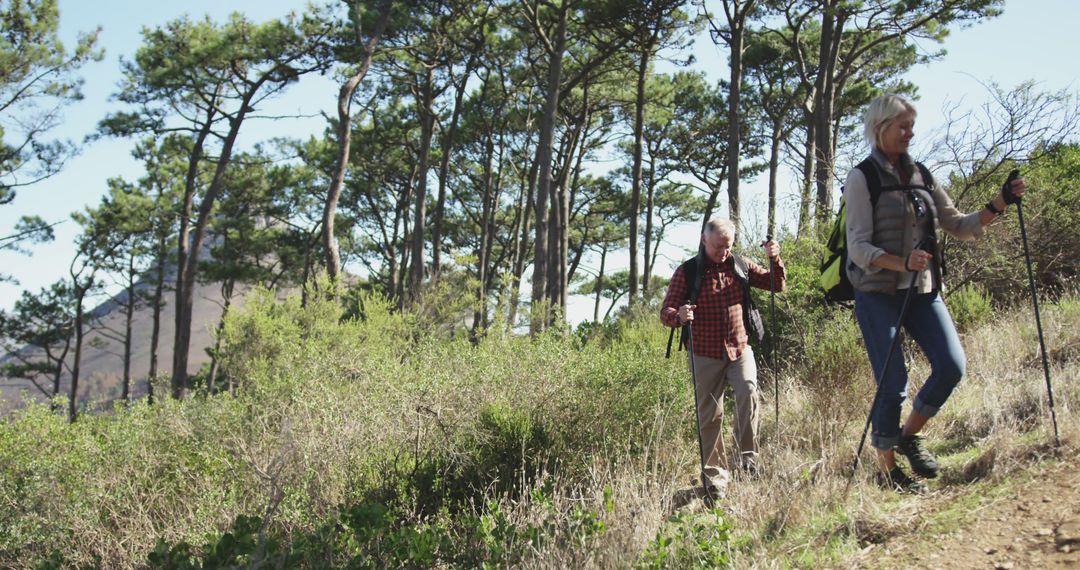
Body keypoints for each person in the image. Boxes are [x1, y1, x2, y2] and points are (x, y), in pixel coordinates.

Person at [845, 93, 1026, 493]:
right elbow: (857, 247)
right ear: (880, 129)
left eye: (912, 125)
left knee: (951, 366)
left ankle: (910, 435)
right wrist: (900, 261)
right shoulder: (862, 178)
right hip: (877, 293)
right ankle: (887, 470)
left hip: (924, 290)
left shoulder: (922, 175)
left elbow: (959, 224)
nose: (911, 132)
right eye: (903, 126)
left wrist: (1002, 201)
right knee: (892, 383)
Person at [661, 218, 785, 501]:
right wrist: (678, 316)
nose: (723, 252)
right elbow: (666, 312)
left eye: (728, 246)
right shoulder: (688, 271)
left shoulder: (739, 265)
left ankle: (748, 461)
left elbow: (775, 284)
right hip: (704, 353)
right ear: (704, 240)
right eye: (719, 247)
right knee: (710, 416)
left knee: (749, 394)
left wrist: (775, 257)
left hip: (739, 348)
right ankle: (715, 479)